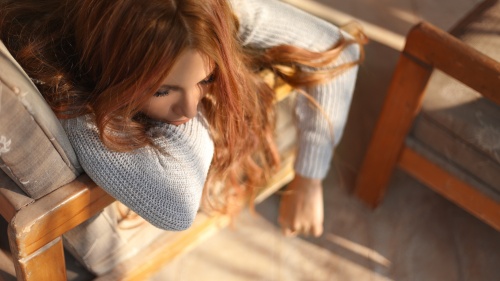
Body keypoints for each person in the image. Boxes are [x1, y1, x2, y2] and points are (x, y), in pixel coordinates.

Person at [0, 0, 365, 275]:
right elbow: (174, 206)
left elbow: (338, 48)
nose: (190, 110)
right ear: (115, 79)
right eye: (163, 91)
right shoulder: (79, 100)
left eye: (207, 79)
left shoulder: (215, 14)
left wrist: (309, 178)